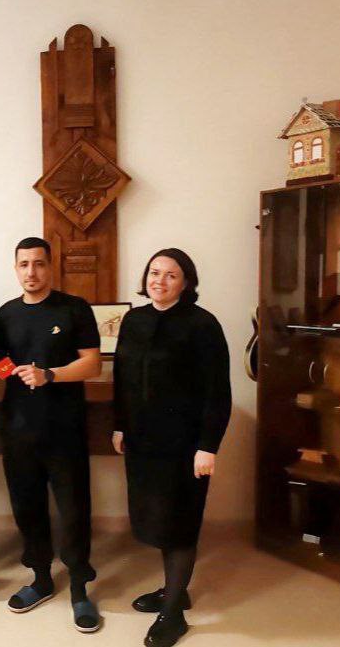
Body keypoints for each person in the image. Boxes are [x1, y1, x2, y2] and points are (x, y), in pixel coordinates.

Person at [112, 248, 231, 647]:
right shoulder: (134, 320)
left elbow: (218, 392)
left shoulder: (202, 324)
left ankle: (173, 613)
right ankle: (173, 590)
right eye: (154, 272)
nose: (159, 280)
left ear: (186, 282)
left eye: (170, 275)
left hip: (185, 446)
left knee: (180, 524)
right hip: (143, 443)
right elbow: (123, 378)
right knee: (157, 521)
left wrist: (208, 446)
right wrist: (119, 425)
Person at [0, 237, 103, 632]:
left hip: (64, 429)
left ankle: (79, 587)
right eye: (24, 264)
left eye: (38, 264)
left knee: (73, 510)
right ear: (15, 268)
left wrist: (49, 375)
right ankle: (40, 579)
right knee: (28, 507)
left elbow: (92, 364)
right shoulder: (4, 314)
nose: (31, 272)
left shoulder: (75, 309)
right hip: (18, 429)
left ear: (50, 266)